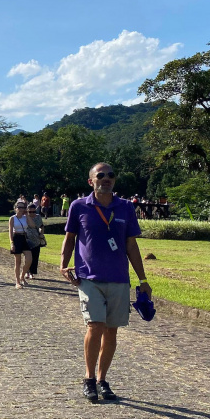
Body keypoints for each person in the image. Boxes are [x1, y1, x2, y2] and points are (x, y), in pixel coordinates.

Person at [60, 162, 152, 403]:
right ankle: (89, 378)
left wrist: (143, 279)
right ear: (91, 181)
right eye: (100, 175)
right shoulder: (79, 206)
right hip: (89, 277)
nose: (106, 179)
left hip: (118, 277)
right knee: (95, 325)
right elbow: (70, 238)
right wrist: (63, 264)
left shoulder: (125, 207)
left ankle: (102, 380)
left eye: (110, 175)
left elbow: (131, 245)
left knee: (111, 330)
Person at [8, 201, 32, 288]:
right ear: (15, 208)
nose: (21, 209)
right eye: (19, 207)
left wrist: (27, 215)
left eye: (23, 207)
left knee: (29, 259)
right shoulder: (12, 218)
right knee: (18, 261)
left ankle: (22, 276)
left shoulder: (25, 218)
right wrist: (12, 243)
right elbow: (10, 231)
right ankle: (17, 282)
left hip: (24, 238)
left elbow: (33, 225)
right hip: (16, 238)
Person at [25, 204, 44, 280]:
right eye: (30, 212)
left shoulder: (38, 217)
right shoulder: (24, 217)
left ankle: (32, 272)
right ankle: (26, 271)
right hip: (26, 239)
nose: (32, 213)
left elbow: (41, 226)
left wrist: (41, 234)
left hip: (36, 240)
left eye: (34, 212)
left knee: (35, 257)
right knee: (27, 257)